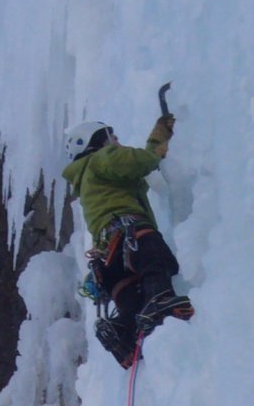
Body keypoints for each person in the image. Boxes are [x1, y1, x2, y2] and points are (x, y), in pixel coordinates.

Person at [62, 110, 194, 367]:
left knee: (132, 301)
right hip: (129, 236)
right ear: (98, 142)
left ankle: (122, 331)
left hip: (108, 262)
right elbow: (140, 162)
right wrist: (159, 138)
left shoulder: (86, 181)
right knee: (157, 259)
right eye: (112, 137)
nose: (117, 141)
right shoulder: (102, 158)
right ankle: (161, 298)